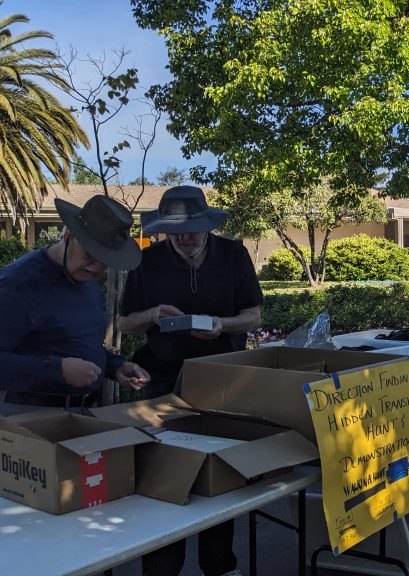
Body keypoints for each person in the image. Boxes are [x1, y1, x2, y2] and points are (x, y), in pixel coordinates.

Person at [118, 185, 262, 576]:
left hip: (223, 378)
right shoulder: (145, 261)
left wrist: (222, 324)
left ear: (207, 225)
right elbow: (124, 323)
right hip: (162, 380)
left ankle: (219, 565)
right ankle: (162, 568)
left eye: (192, 230)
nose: (184, 238)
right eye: (175, 232)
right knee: (162, 477)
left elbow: (254, 316)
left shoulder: (234, 255)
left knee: (220, 471)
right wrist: (152, 316)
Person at [0, 195, 149, 412]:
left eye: (106, 262)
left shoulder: (87, 281)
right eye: (90, 255)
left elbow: (78, 342)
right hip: (25, 415)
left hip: (81, 411)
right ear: (68, 235)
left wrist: (115, 367)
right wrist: (58, 370)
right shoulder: (17, 284)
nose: (96, 267)